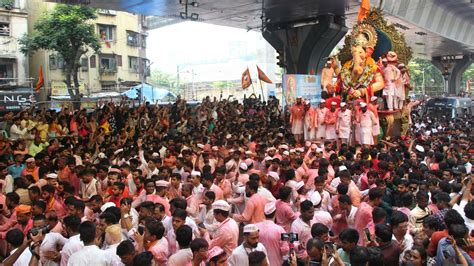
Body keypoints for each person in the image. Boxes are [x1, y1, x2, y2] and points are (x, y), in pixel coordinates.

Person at [255, 202, 289, 266]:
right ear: (275, 213)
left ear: (264, 213)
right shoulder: (280, 230)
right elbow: (285, 250)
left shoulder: (255, 227)